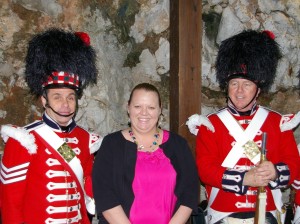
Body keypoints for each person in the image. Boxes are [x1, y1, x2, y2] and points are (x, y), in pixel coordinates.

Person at [186, 30, 300, 224]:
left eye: (246, 84)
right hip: (223, 215)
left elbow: (295, 165)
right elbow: (205, 169)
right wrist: (244, 179)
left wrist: (274, 172)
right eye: (234, 83)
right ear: (226, 86)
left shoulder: (277, 123)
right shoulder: (211, 124)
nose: (239, 91)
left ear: (258, 88)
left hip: (268, 213)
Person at [0, 28, 102, 224]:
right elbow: (10, 204)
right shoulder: (23, 140)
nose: (65, 104)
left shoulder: (86, 139)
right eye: (57, 97)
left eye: (70, 97)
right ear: (44, 100)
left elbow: (87, 185)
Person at [92, 82, 199, 224]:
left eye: (151, 107)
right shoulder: (111, 145)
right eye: (137, 106)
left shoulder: (179, 145)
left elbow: (190, 191)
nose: (144, 113)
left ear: (160, 110)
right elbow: (104, 194)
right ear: (128, 108)